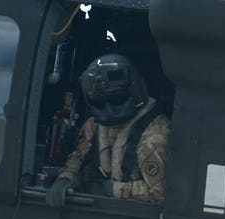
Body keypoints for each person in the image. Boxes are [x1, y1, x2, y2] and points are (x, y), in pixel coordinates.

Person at [47, 54, 169, 206]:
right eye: (102, 99)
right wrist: (66, 178)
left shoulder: (154, 135)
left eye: (115, 97)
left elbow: (159, 193)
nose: (109, 107)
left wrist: (113, 190)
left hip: (130, 214)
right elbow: (78, 157)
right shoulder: (95, 125)